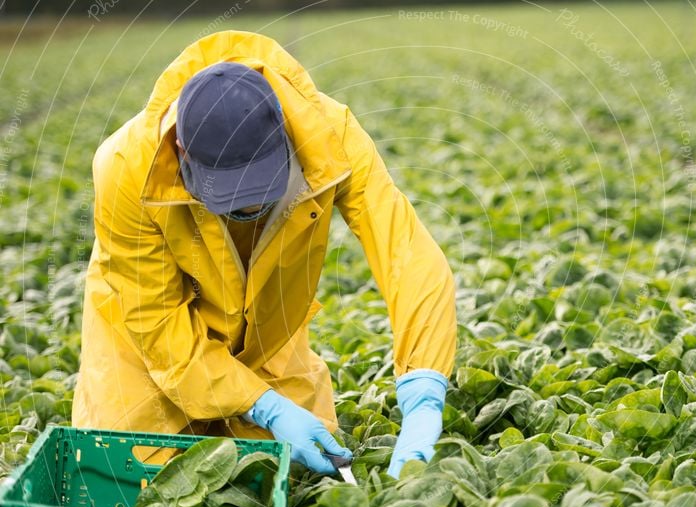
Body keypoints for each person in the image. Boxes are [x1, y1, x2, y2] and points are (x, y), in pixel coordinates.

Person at [72, 30, 456, 479]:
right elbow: (157, 325)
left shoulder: (332, 136)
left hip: (267, 331)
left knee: (288, 476)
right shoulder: (125, 167)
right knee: (131, 475)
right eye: (232, 199)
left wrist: (424, 386)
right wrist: (265, 406)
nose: (250, 209)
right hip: (145, 339)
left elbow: (404, 252)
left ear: (284, 128)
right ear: (182, 150)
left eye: (262, 187)